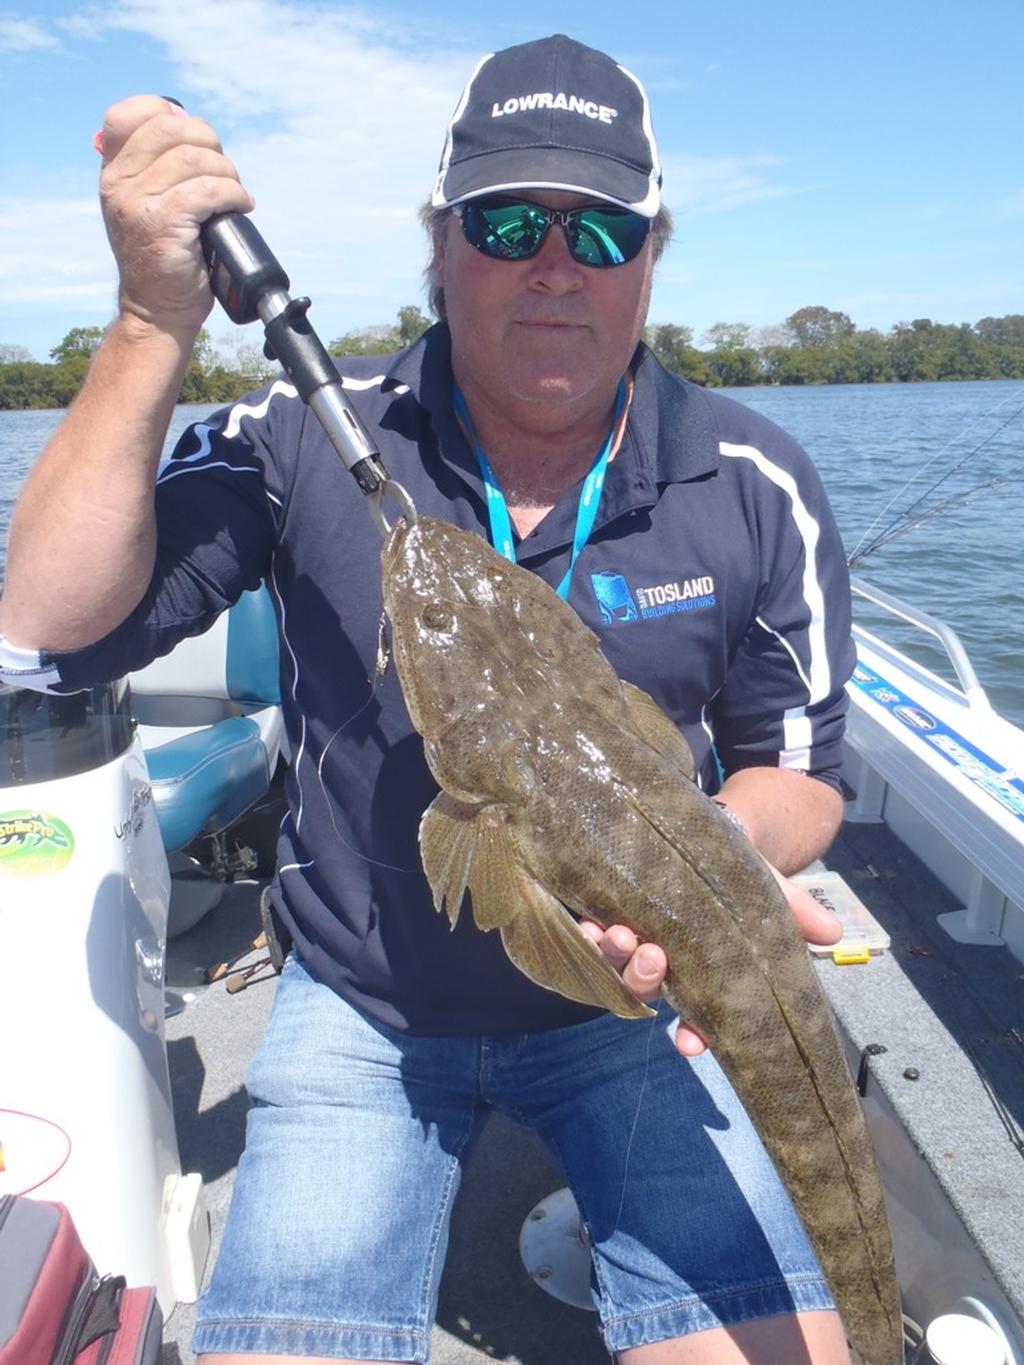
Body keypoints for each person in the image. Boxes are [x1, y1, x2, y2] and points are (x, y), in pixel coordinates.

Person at [0, 34, 857, 1365]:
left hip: (633, 1009)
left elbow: (798, 771)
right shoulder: (302, 428)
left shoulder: (754, 478)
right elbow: (49, 638)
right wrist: (151, 321)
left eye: (602, 228)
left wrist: (714, 866)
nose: (555, 263)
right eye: (509, 221)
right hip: (364, 1003)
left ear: (653, 254)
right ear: (440, 245)